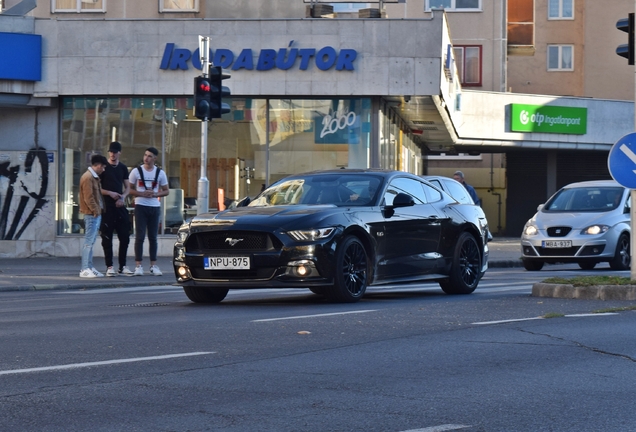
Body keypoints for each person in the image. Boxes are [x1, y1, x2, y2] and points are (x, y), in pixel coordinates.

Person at [128, 147, 169, 276]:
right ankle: (138, 265)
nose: (146, 158)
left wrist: (156, 193)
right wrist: (141, 193)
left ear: (155, 158)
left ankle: (153, 265)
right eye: (145, 155)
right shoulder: (136, 171)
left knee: (153, 237)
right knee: (139, 236)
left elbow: (166, 190)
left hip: (154, 207)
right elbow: (128, 189)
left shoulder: (160, 173)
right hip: (140, 205)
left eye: (150, 156)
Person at [100, 141, 133, 277]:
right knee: (107, 237)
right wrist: (110, 193)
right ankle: (109, 266)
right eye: (111, 152)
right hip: (107, 207)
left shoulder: (123, 168)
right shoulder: (103, 168)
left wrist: (123, 197)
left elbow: (128, 187)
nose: (113, 154)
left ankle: (123, 265)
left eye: (115, 152)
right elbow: (98, 188)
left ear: (120, 153)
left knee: (124, 237)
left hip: (120, 205)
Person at [79, 154, 108, 278]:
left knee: (91, 241)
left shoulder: (92, 177)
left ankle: (89, 267)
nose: (104, 170)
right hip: (91, 214)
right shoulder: (88, 177)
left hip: (94, 213)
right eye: (103, 167)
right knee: (88, 242)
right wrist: (96, 210)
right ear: (99, 165)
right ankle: (85, 268)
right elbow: (88, 197)